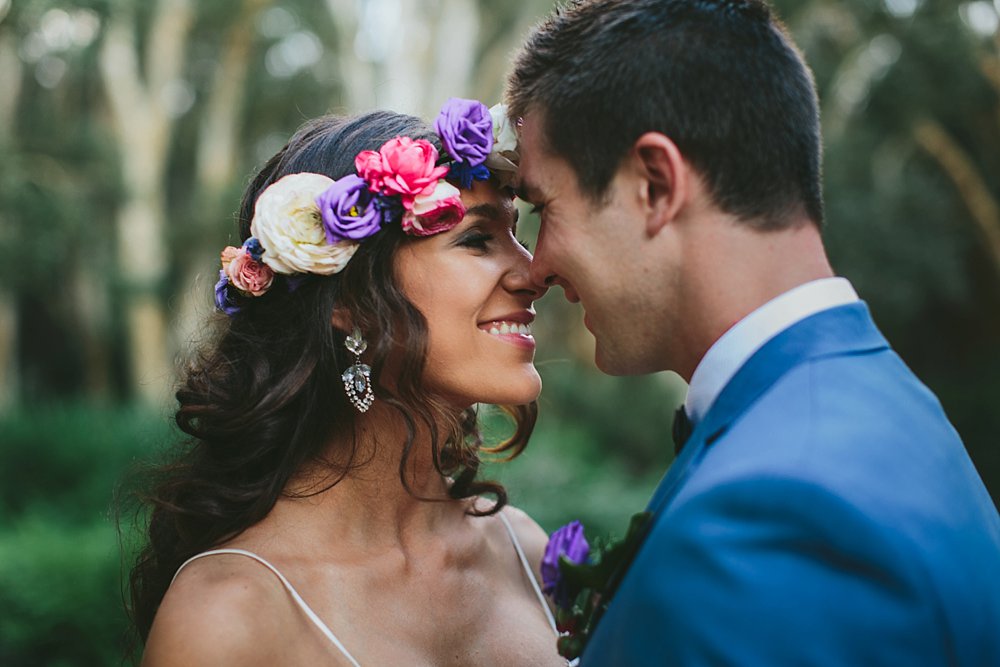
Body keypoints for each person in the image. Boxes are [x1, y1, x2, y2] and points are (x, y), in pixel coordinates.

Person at [506, 0, 1000, 664]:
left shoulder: (769, 520)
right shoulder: (894, 406)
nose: (534, 266)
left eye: (542, 208)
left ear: (654, 185)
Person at [127, 100, 567, 666]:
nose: (534, 271)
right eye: (476, 240)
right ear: (352, 302)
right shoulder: (228, 618)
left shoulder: (527, 553)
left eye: (516, 233)